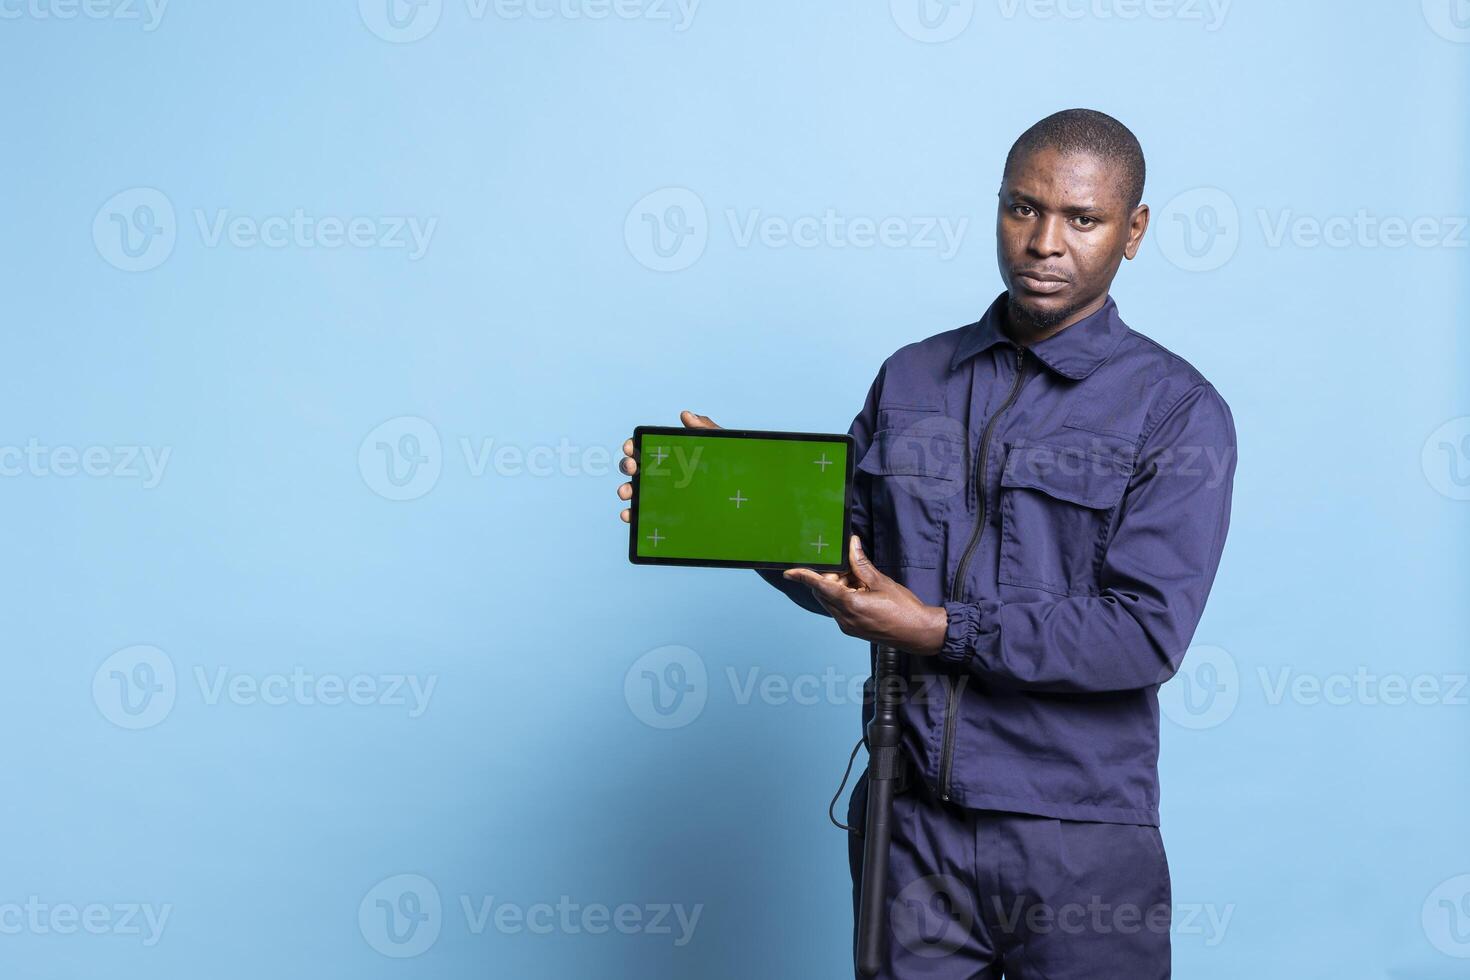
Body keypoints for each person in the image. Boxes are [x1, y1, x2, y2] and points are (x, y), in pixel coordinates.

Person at [616, 108, 1237, 979]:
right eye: (1023, 209)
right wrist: (725, 494)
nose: (1044, 242)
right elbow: (851, 563)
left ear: (1132, 232)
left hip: (1077, 839)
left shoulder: (1175, 412)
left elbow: (1143, 634)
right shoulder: (913, 376)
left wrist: (942, 630)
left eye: (1081, 219)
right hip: (908, 831)